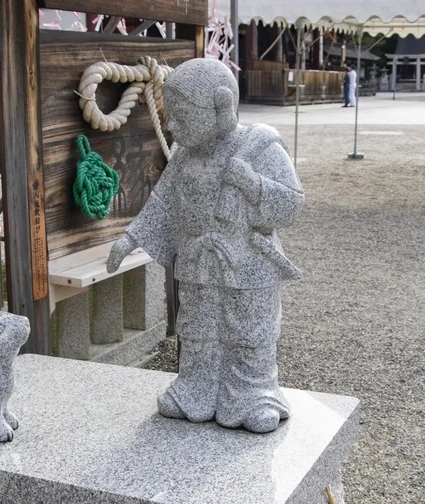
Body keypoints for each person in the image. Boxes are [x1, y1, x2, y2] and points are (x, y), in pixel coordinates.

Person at [106, 59, 304, 433]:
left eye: (181, 115)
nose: (172, 125)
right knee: (198, 329)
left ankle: (255, 394)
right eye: (171, 115)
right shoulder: (184, 155)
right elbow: (162, 202)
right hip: (198, 261)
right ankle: (195, 387)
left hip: (247, 262)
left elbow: (292, 204)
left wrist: (253, 185)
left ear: (221, 106)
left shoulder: (260, 146)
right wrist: (131, 236)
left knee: (248, 331)